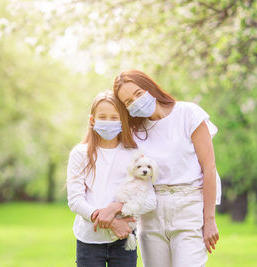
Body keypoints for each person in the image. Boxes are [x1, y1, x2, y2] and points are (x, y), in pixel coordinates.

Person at [111, 70, 221, 267]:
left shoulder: (188, 113)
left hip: (188, 207)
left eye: (138, 94)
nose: (135, 102)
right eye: (128, 102)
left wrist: (210, 219)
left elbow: (209, 168)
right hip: (151, 212)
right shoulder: (135, 132)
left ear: (150, 88)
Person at [66, 91, 156, 267]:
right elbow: (75, 201)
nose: (108, 122)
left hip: (124, 240)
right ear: (92, 120)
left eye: (114, 117)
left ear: (123, 120)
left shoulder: (134, 155)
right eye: (103, 117)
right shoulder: (80, 154)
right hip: (89, 241)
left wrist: (118, 207)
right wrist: (110, 222)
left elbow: (150, 200)